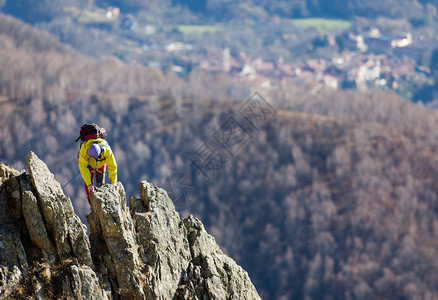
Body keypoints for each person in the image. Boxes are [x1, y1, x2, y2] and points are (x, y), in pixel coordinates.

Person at [77, 136, 118, 201]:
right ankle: (91, 202)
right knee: (89, 187)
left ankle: (101, 201)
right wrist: (89, 184)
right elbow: (82, 167)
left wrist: (114, 182)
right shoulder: (84, 149)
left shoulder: (107, 151)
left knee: (100, 183)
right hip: (89, 164)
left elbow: (112, 166)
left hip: (101, 164)